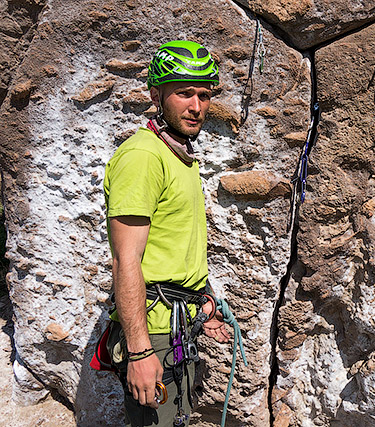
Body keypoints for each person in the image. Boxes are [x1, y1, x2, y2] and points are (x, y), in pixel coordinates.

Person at [103, 40, 231, 426]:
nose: (197, 106)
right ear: (156, 94)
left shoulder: (180, 156)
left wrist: (202, 302)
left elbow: (176, 247)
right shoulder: (143, 157)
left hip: (179, 325)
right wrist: (141, 352)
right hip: (155, 334)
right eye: (184, 93)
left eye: (204, 95)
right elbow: (125, 259)